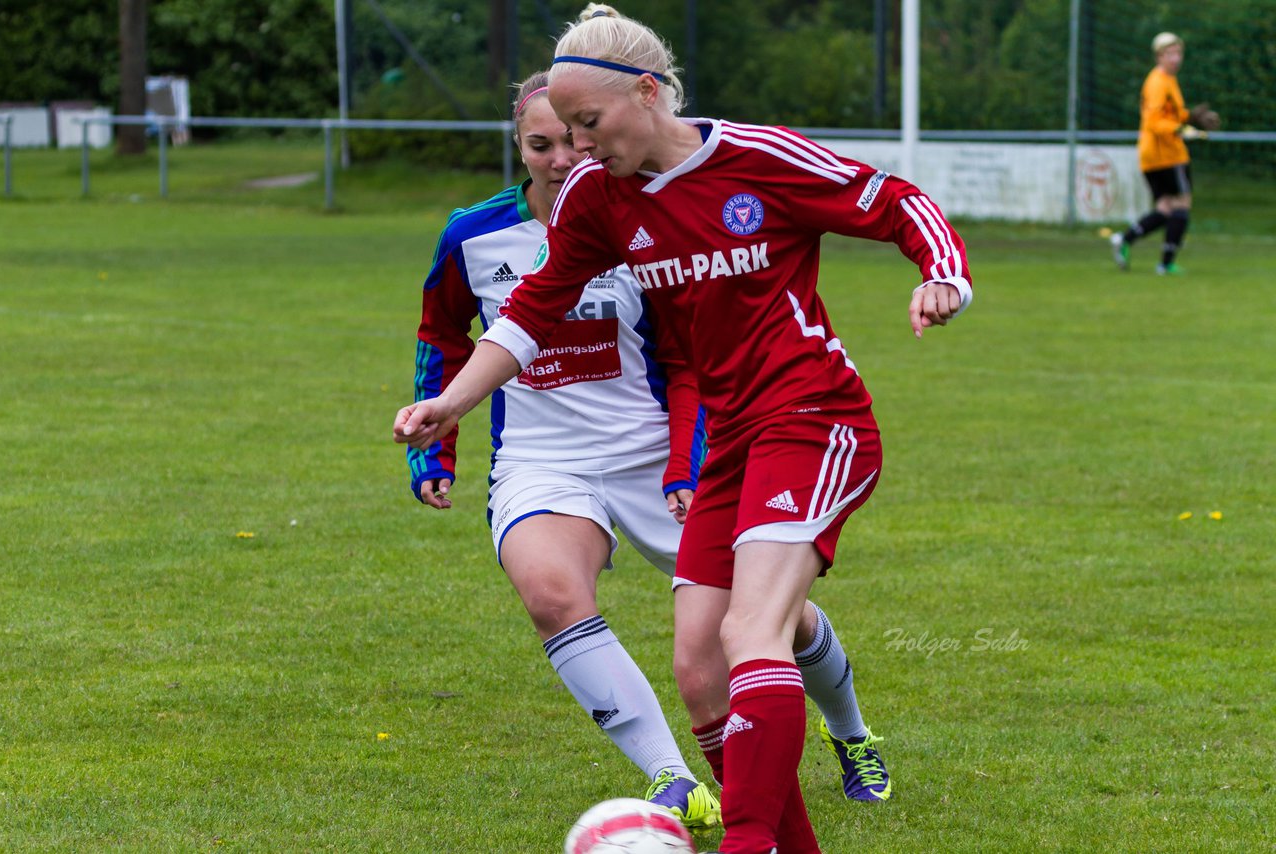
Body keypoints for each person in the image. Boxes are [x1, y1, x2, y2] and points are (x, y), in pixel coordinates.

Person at [395, 6, 972, 849]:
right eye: (563, 132)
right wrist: (455, 401)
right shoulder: (598, 195)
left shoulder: (758, 158)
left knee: (751, 632)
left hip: (812, 417)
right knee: (701, 673)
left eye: (590, 124)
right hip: (733, 440)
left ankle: (751, 839)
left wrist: (943, 277)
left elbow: (893, 201)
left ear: (648, 91)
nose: (580, 148)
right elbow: (533, 308)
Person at [406, 69, 719, 828]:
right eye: (538, 144)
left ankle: (850, 732)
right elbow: (444, 336)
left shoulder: (649, 224)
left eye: (571, 142)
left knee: (775, 620)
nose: (558, 159)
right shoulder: (473, 235)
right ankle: (676, 781)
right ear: (519, 145)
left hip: (655, 459)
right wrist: (434, 447)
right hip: (542, 462)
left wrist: (688, 467)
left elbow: (690, 363)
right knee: (551, 594)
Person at [1110, 31, 1216, 275]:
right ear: (1159, 56)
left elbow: (1170, 114)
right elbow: (1154, 121)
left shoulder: (1167, 80)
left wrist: (1192, 116)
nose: (1176, 58)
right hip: (1167, 154)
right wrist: (1181, 128)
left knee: (1166, 208)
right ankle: (1166, 264)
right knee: (1182, 204)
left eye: (1178, 53)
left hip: (1151, 155)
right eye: (1170, 54)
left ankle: (1125, 240)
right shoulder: (1158, 82)